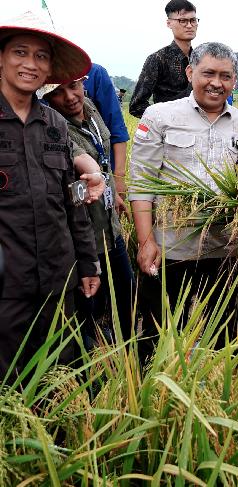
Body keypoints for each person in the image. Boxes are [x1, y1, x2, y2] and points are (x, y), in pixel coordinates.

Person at [130, 42, 238, 360]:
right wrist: (145, 240)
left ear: (235, 81)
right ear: (191, 73)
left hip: (224, 250)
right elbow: (140, 184)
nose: (216, 83)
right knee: (158, 333)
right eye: (208, 73)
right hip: (169, 249)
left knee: (224, 333)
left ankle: (222, 390)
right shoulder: (160, 116)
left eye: (225, 76)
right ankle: (154, 395)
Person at [0, 12, 102, 378]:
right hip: (8, 286)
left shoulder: (56, 124)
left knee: (59, 376)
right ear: (1, 57)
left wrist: (89, 262)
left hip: (60, 280)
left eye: (41, 56)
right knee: (10, 384)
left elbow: (74, 202)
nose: (31, 64)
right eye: (20, 52)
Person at [42, 77, 135, 348]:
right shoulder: (53, 126)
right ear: (47, 98)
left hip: (109, 226)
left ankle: (131, 354)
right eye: (58, 92)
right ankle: (95, 363)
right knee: (88, 306)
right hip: (83, 235)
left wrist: (114, 190)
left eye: (73, 86)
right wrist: (98, 176)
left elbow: (103, 154)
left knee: (127, 294)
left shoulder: (91, 108)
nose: (70, 97)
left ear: (83, 83)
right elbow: (84, 162)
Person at [129, 0, 198, 118]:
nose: (189, 25)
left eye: (193, 20)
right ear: (169, 23)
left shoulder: (200, 59)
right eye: (183, 21)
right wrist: (167, 121)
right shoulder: (157, 59)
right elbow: (136, 106)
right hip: (171, 132)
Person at [84, 63, 131, 217]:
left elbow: (116, 128)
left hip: (102, 174)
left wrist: (118, 178)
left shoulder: (94, 73)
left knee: (108, 229)